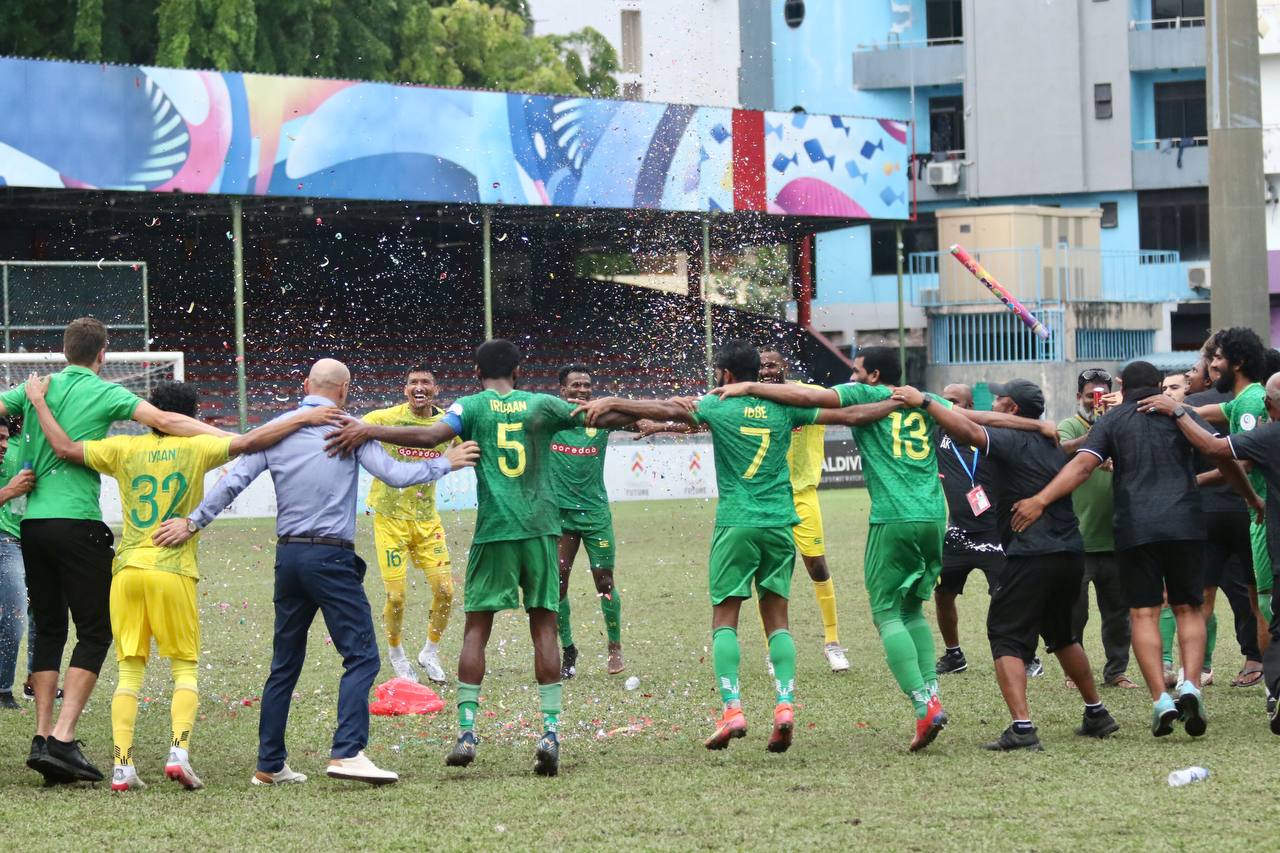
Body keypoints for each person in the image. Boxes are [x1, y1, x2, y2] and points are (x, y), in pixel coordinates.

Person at [710, 346, 1051, 750]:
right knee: (913, 610)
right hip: (932, 518)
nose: (851, 378)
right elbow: (979, 419)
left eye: (855, 371)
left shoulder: (864, 396)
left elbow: (806, 397)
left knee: (888, 613)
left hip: (892, 518)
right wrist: (1037, 426)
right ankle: (932, 695)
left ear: (872, 376)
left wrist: (748, 386)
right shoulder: (926, 400)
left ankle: (923, 706)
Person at [156, 359, 477, 786]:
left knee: (284, 663)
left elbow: (233, 482)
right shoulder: (350, 428)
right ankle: (347, 752)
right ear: (344, 391)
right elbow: (396, 475)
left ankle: (269, 764)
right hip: (330, 557)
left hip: (289, 557)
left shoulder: (277, 429)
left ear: (305, 385)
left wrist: (192, 521)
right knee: (362, 655)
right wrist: (446, 461)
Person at [577, 341, 900, 753]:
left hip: (736, 524)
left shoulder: (717, 404)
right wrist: (898, 401)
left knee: (725, 618)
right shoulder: (785, 406)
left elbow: (658, 409)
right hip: (781, 523)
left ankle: (733, 710)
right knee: (777, 619)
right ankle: (784, 706)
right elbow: (853, 414)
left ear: (726, 375)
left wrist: (609, 402)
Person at [324, 341, 623, 777]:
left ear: (477, 370)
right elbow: (602, 415)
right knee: (543, 623)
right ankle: (550, 733)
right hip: (541, 529)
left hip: (495, 531)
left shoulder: (470, 406)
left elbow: (429, 436)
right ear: (518, 370)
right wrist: (663, 412)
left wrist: (370, 430)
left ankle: (466, 733)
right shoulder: (544, 404)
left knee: (477, 628)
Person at [25, 377, 337, 792]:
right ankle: (178, 754)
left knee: (129, 671)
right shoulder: (194, 445)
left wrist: (39, 403)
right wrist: (307, 417)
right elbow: (252, 442)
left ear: (154, 411)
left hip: (128, 570)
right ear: (189, 415)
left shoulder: (123, 448)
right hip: (171, 569)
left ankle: (122, 766)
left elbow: (64, 448)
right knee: (184, 667)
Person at [0, 317, 228, 785]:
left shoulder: (34, 389)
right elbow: (164, 421)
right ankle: (62, 737)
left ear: (63, 352)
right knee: (97, 631)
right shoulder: (107, 394)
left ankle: (41, 736)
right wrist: (231, 436)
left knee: (47, 627)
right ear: (103, 354)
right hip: (78, 523)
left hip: (32, 524)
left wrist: (30, 407)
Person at [1013, 362, 1261, 739]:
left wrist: (1040, 500)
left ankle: (1161, 699)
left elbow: (1081, 466)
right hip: (1186, 524)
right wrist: (1252, 499)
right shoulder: (1184, 414)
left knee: (1144, 614)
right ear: (1160, 385)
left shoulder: (1112, 422)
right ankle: (1190, 685)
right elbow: (1222, 459)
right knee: (1188, 608)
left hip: (1135, 526)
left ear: (1122, 386)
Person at [900, 380, 1118, 750]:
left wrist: (923, 401)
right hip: (1069, 551)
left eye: (1000, 400)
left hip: (1030, 554)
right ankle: (1096, 713)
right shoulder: (1049, 441)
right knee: (1064, 637)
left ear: (1012, 408)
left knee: (1005, 638)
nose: (994, 404)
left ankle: (1022, 728)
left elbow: (966, 426)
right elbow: (1063, 449)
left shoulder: (1006, 439)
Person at [1149, 370, 1280, 733]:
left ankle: (1201, 675)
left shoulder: (1269, 433)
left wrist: (1176, 412)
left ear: (1269, 405)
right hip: (1237, 519)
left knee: (1205, 603)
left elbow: (1216, 450)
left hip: (1245, 528)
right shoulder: (1244, 410)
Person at [362, 366, 458, 684]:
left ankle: (429, 652)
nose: (419, 386)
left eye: (425, 382)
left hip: (427, 521)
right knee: (396, 597)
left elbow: (475, 443)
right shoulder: (384, 419)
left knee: (446, 591)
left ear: (436, 389)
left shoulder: (447, 424)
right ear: (405, 390)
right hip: (389, 520)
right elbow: (353, 430)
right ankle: (396, 654)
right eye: (413, 382)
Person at [1178, 345, 1263, 688]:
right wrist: (1158, 403)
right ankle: (1192, 678)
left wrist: (1192, 480)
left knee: (1260, 600)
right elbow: (1198, 410)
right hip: (1234, 511)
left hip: (1254, 512)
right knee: (1206, 598)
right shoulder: (1237, 401)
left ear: (1237, 363)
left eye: (1217, 360)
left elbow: (1240, 460)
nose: (1212, 367)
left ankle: (1263, 670)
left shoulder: (1252, 402)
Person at [759, 348, 847, 673]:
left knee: (817, 566)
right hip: (767, 499)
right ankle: (775, 648)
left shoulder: (810, 395)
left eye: (772, 365)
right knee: (771, 575)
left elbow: (846, 401)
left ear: (784, 367)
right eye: (762, 367)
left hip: (803, 495)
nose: (767, 371)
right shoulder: (756, 402)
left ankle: (833, 642)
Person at [1057, 369, 1135, 690]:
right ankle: (1073, 672)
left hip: (1116, 538)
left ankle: (1116, 671)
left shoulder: (1123, 426)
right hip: (1079, 539)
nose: (1096, 401)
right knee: (1075, 612)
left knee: (1118, 614)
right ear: (1080, 398)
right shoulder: (1071, 426)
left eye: (1103, 395)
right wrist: (1097, 438)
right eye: (1091, 396)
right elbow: (1061, 450)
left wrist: (1112, 429)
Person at [552, 365, 625, 679]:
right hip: (560, 515)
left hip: (594, 515)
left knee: (604, 582)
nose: (582, 390)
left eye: (587, 385)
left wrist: (656, 424)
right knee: (557, 583)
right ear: (562, 391)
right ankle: (568, 648)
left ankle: (614, 645)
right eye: (575, 386)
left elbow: (639, 417)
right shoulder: (551, 421)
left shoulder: (600, 420)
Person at [932, 384, 1004, 676]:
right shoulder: (937, 434)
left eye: (954, 402)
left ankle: (1023, 655)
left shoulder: (987, 436)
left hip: (995, 534)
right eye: (944, 401)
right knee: (943, 595)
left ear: (970, 405)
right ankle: (954, 655)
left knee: (1006, 597)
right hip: (957, 534)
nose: (948, 407)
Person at [0, 416, 35, 710]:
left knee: (45, 612)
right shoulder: (11, 447)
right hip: (5, 542)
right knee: (15, 616)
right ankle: (2, 688)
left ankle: (35, 682)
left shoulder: (29, 445)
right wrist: (10, 490)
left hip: (34, 539)